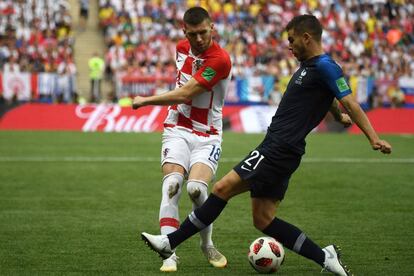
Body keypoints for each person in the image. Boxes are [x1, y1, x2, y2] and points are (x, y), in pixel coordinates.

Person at [139, 14, 392, 275]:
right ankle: (326, 258)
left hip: (278, 148)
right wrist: (339, 116)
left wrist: (373, 138)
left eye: (292, 40)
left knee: (222, 188)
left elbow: (350, 100)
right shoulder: (311, 65)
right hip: (284, 149)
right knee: (263, 219)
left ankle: (170, 242)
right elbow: (331, 98)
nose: (289, 46)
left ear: (307, 38)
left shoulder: (327, 66)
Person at [132, 7, 232, 272]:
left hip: (208, 134)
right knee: (173, 184)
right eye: (193, 34)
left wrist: (146, 101)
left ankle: (206, 244)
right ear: (184, 31)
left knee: (195, 190)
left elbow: (185, 92)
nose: (198, 39)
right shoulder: (180, 47)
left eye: (203, 32)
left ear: (213, 28)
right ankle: (169, 254)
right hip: (177, 127)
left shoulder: (220, 60)